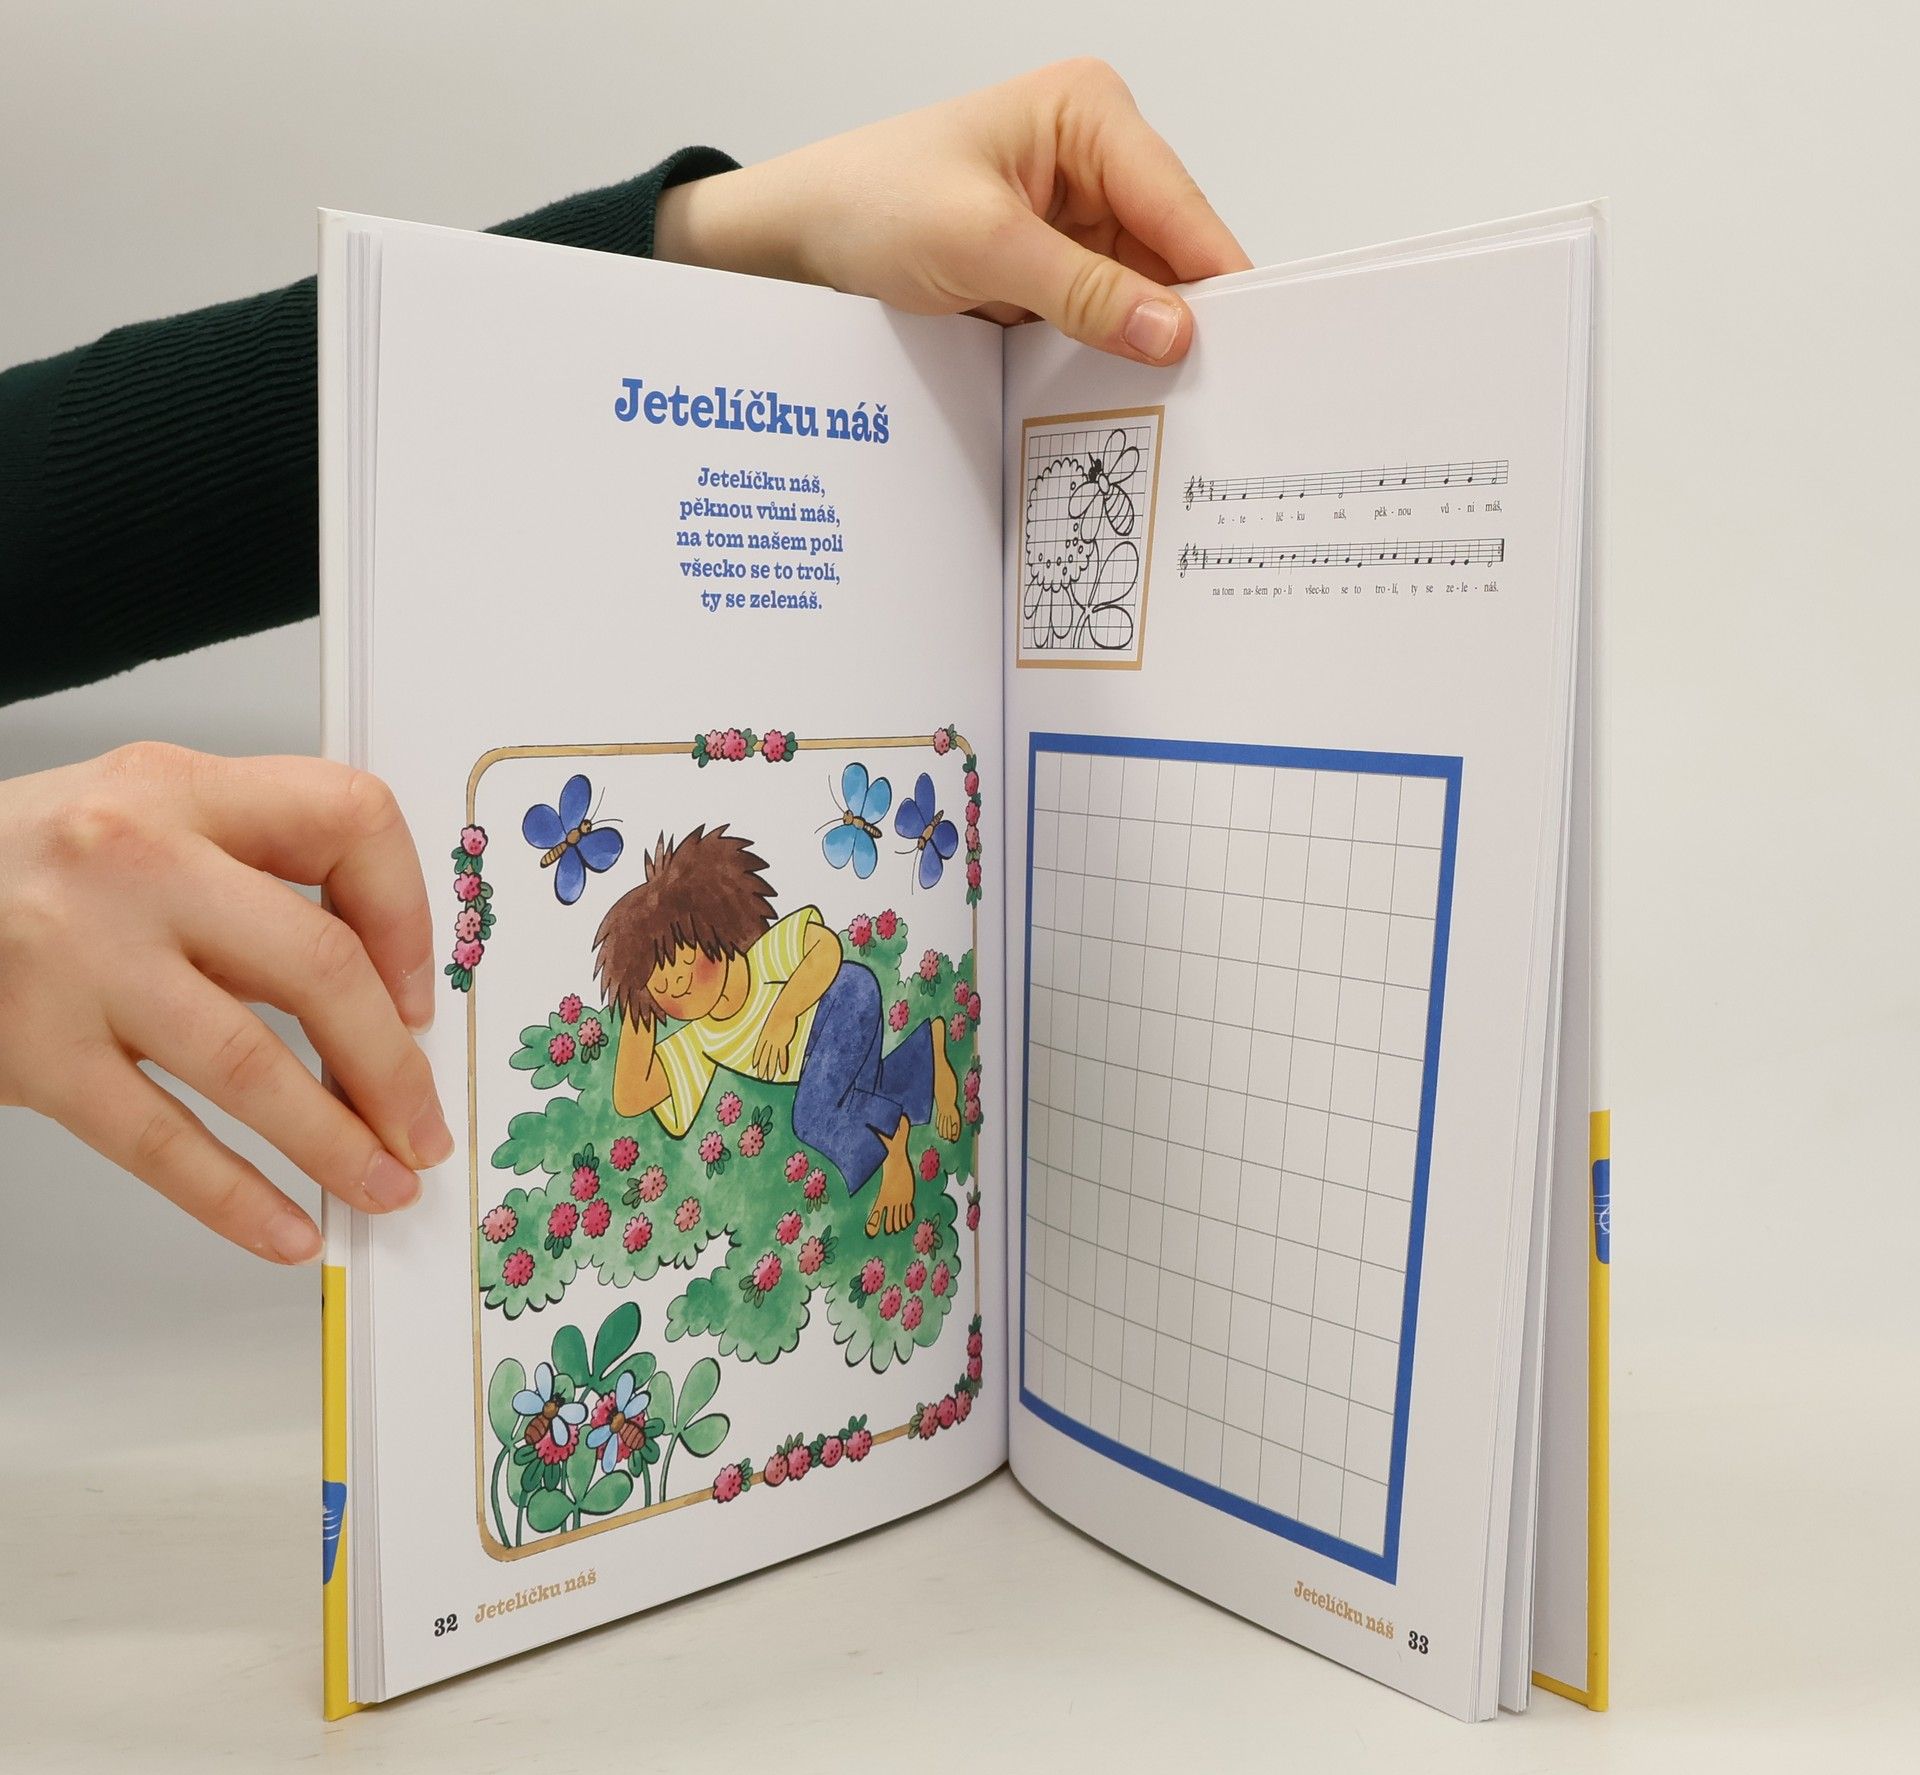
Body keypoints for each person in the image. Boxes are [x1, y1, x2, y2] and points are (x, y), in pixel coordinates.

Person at [0, 59, 1250, 1266]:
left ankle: (891, 1147)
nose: (695, 983)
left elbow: (75, 493)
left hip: (838, 1008)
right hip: (832, 1037)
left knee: (828, 1117)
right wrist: (645, 1031)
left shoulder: (756, 962)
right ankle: (912, 1099)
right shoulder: (685, 1022)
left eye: (689, 965)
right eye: (675, 980)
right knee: (837, 1103)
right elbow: (653, 1090)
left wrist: (734, 238)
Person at [596, 827, 960, 1237]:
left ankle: (894, 1141)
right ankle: (928, 1057)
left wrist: (783, 1015)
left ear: (714, 928)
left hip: (845, 1000)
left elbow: (825, 949)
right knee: (856, 1094)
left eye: (684, 961)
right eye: (661, 986)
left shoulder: (763, 955)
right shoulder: (700, 1040)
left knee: (813, 1116)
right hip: (822, 1058)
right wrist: (636, 1003)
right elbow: (632, 1096)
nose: (678, 985)